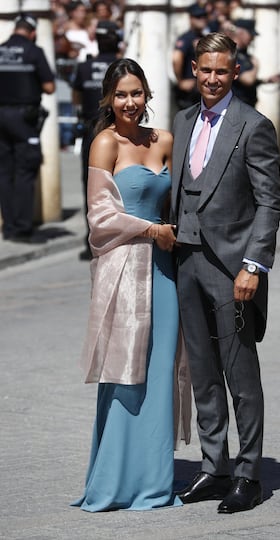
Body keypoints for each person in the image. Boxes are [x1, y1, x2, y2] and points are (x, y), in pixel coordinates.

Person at [171, 32, 280, 514]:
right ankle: (214, 467)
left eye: (222, 70)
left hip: (233, 268)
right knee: (202, 374)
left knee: (240, 375)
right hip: (186, 262)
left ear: (235, 72)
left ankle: (249, 473)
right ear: (194, 70)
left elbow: (269, 202)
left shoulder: (253, 125)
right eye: (205, 69)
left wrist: (253, 265)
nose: (213, 78)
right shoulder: (182, 120)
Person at [72, 58, 187, 512]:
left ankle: (156, 480)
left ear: (148, 96)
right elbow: (98, 219)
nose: (129, 103)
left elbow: (183, 202)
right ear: (107, 99)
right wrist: (151, 230)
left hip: (165, 273)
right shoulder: (104, 144)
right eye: (120, 95)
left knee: (162, 372)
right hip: (124, 272)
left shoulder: (165, 140)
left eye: (136, 93)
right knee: (126, 373)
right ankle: (116, 480)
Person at [0, 13, 55, 243]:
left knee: (4, 173)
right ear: (32, 33)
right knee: (25, 172)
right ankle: (23, 228)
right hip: (24, 119)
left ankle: (9, 226)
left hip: (1, 116)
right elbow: (50, 87)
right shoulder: (34, 52)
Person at [72, 19, 122, 260]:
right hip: (117, 131)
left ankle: (90, 238)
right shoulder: (122, 68)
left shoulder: (84, 68)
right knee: (117, 186)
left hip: (91, 130)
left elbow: (75, 97)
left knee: (90, 186)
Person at [223, 18, 280, 108]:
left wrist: (266, 81)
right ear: (241, 33)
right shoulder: (231, 54)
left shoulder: (245, 54)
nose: (252, 39)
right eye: (250, 35)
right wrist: (256, 66)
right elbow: (248, 79)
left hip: (246, 105)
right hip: (236, 106)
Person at [172, 2, 209, 110]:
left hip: (200, 89)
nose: (202, 19)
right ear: (191, 18)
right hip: (189, 93)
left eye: (204, 16)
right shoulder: (187, 38)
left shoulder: (204, 37)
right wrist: (180, 81)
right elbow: (176, 59)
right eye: (198, 17)